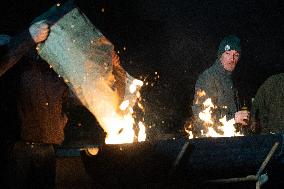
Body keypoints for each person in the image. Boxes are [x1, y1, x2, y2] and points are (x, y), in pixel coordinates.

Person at [0, 19, 71, 188]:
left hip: (47, 147)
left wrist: (60, 123)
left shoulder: (53, 71)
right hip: (18, 147)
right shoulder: (15, 64)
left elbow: (68, 100)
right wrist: (27, 38)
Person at [191, 35, 250, 136]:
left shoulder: (232, 80)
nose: (231, 59)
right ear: (220, 55)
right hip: (213, 143)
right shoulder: (208, 77)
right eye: (227, 53)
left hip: (232, 139)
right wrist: (233, 118)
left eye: (236, 55)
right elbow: (201, 115)